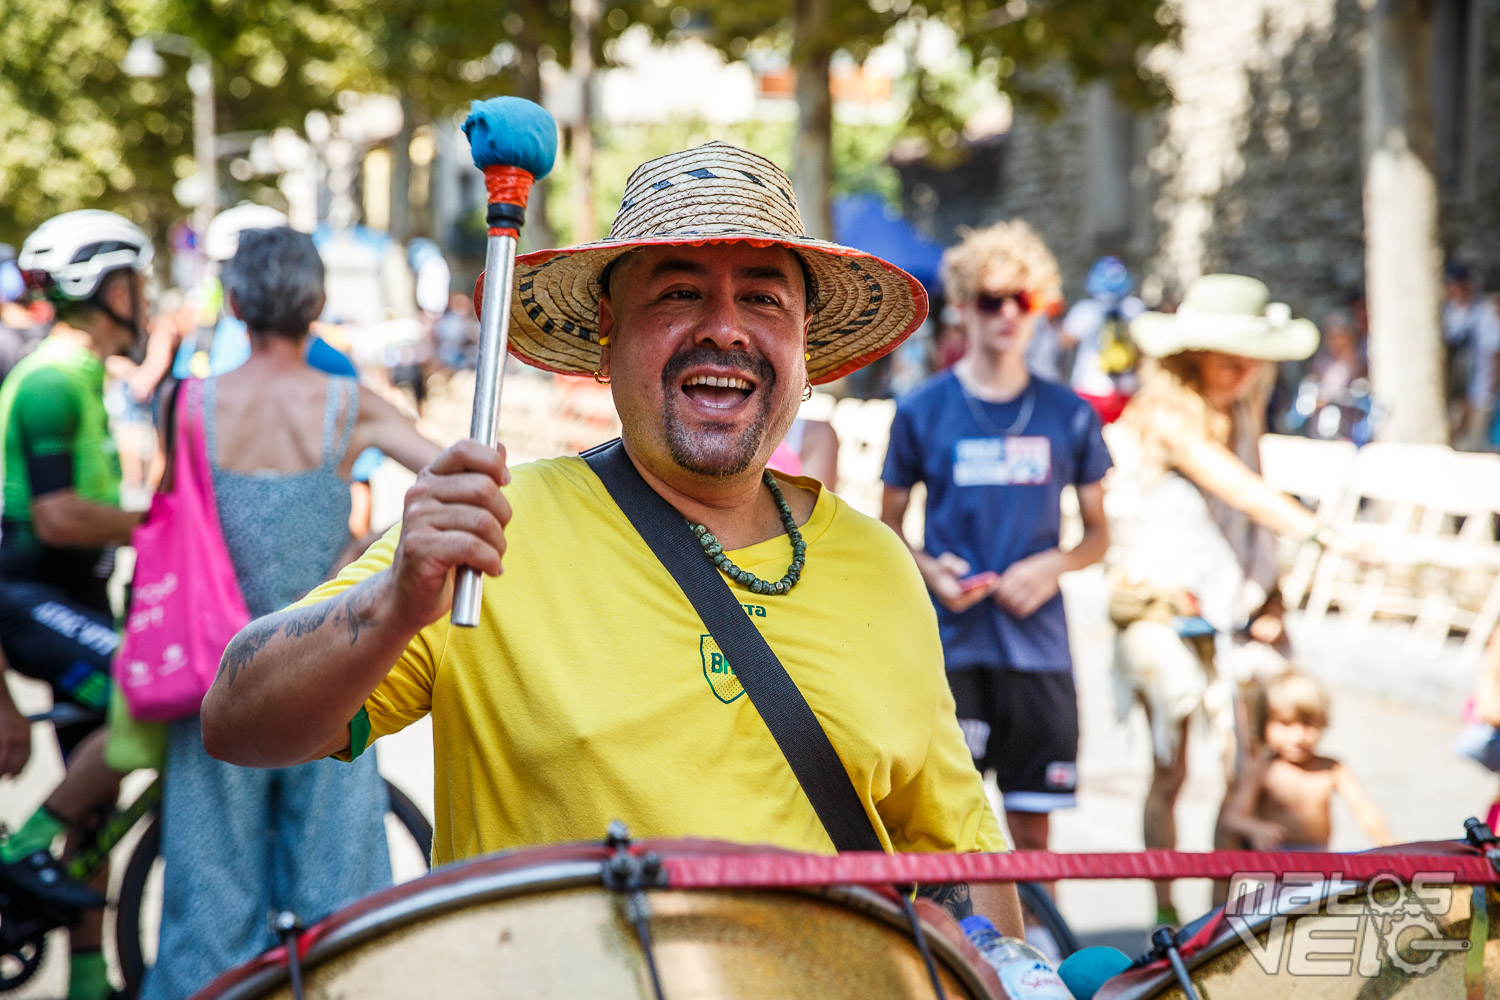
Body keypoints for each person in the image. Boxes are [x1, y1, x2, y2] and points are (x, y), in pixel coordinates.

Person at [202, 141, 1022, 937]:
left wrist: (1005, 967)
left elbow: (962, 866)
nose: (725, 329)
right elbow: (237, 723)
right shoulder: (497, 533)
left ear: (805, 344)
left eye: (765, 297)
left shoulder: (877, 564)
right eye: (677, 293)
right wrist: (391, 604)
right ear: (607, 328)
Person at [140, 227, 443, 999]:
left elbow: (164, 519)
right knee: (337, 897)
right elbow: (452, 477)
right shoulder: (350, 405)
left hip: (219, 676)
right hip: (328, 670)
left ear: (234, 302)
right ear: (316, 304)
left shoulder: (189, 403)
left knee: (211, 901)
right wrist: (364, 558)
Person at [878, 222, 1111, 925]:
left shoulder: (1071, 415)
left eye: (1023, 299)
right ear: (962, 307)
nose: (1007, 314)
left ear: (1042, 307)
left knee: (1035, 831)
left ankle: (1040, 960)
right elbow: (885, 529)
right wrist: (929, 570)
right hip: (951, 648)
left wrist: (1053, 563)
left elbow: (1099, 535)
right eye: (989, 300)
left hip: (1038, 651)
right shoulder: (922, 411)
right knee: (943, 828)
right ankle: (954, 959)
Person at [1105, 274, 1333, 927]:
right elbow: (1230, 484)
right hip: (1165, 611)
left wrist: (1276, 596)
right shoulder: (1164, 409)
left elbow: (1252, 505)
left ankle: (1221, 923)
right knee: (1171, 773)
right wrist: (1314, 527)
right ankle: (1167, 914)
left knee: (1245, 776)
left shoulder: (1245, 404)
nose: (1241, 364)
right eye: (1227, 349)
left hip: (1233, 612)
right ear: (1191, 350)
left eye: (1251, 350)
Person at [0, 209, 154, 1000]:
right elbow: (57, 515)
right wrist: (160, 524)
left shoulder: (88, 373)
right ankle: (19, 849)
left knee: (99, 802)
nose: (149, 296)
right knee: (148, 700)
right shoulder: (55, 379)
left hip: (77, 598)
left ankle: (89, 985)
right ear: (102, 286)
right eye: (138, 279)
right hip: (31, 598)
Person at [1220, 669, 1391, 851]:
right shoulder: (1263, 769)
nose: (1297, 736)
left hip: (1317, 863)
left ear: (1322, 723)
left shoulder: (1332, 768)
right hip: (1274, 863)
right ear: (1264, 723)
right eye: (1285, 723)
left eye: (1307, 724)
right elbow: (1233, 817)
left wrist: (1389, 845)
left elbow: (1365, 812)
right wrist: (1256, 829)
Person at [1061, 255, 1147, 424]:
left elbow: (1064, 340)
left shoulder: (1085, 310)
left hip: (1090, 388)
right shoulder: (1135, 308)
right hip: (1128, 389)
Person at [1442, 263, 1500, 450]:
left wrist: (1489, 393)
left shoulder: (1485, 311)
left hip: (1480, 393)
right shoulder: (1450, 312)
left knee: (1474, 446)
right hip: (1455, 392)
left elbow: (1495, 354)